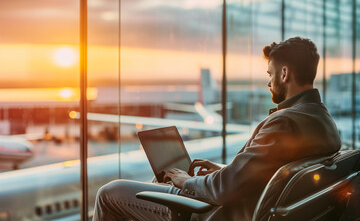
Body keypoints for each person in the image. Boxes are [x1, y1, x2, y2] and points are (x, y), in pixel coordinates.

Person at [92, 37, 341, 221]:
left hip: (218, 212)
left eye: (271, 74)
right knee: (158, 182)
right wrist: (223, 170)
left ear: (284, 73)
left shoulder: (285, 123)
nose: (268, 82)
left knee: (109, 193)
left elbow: (224, 190)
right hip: (250, 203)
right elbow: (268, 174)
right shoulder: (322, 119)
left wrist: (189, 181)